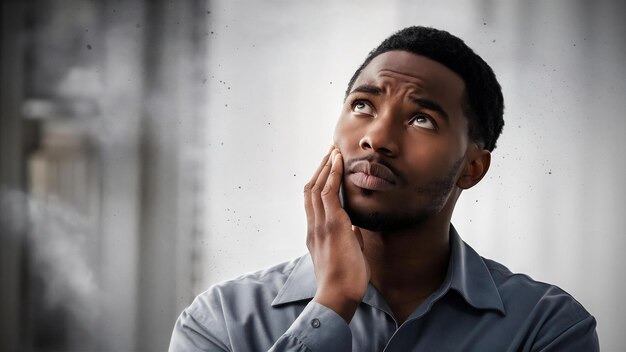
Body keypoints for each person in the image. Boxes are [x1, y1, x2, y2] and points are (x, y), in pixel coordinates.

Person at [169, 26, 599, 351]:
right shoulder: (221, 321)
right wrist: (332, 303)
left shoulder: (546, 327)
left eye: (421, 118)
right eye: (363, 105)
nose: (377, 138)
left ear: (472, 168)